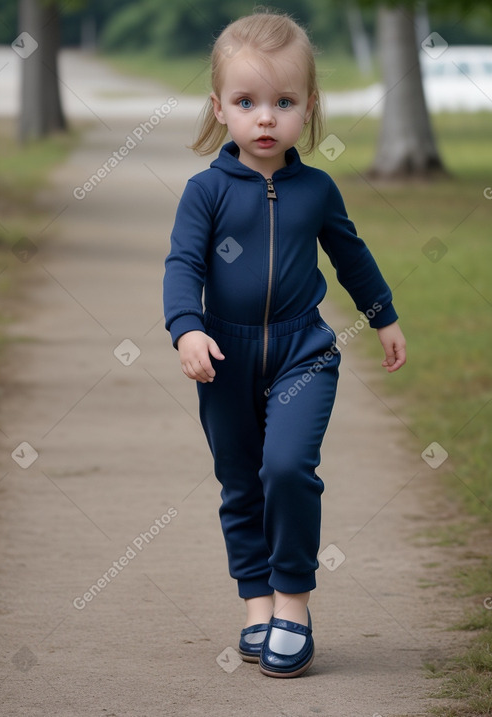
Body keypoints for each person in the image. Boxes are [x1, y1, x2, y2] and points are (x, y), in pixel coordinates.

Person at [163, 10, 406, 678]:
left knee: (287, 468)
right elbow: (182, 266)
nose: (264, 118)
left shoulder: (315, 191)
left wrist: (384, 316)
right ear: (220, 108)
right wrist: (187, 327)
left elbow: (351, 257)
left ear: (309, 107)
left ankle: (293, 603)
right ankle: (257, 601)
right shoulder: (205, 193)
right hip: (226, 357)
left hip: (305, 351)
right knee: (241, 480)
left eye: (283, 102)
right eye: (246, 103)